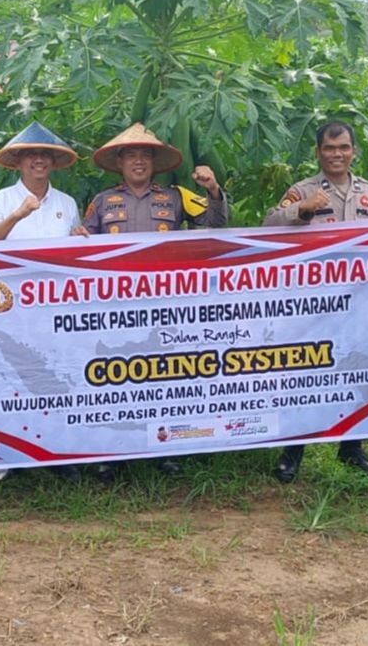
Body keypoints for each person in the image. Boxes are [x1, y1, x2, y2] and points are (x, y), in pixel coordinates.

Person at [83, 123, 227, 477]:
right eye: (131, 155)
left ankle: (165, 448)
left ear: (154, 163)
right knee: (114, 377)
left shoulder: (176, 196)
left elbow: (216, 224)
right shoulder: (102, 201)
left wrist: (213, 190)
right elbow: (80, 250)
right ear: (120, 162)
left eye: (145, 156)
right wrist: (79, 239)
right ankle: (114, 452)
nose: (138, 162)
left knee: (163, 374)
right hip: (116, 307)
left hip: (165, 304)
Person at [263, 120, 368, 483]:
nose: (337, 155)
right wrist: (301, 211)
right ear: (318, 153)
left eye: (344, 147)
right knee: (305, 372)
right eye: (329, 149)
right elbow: (268, 226)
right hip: (312, 305)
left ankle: (353, 447)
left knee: (360, 368)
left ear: (353, 151)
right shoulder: (302, 190)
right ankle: (293, 450)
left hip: (360, 301)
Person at [0, 121, 85, 240]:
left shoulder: (67, 203)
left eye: (45, 154)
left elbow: (74, 245)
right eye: (31, 154)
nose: (39, 160)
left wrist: (77, 236)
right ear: (18, 163)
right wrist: (16, 216)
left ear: (53, 162)